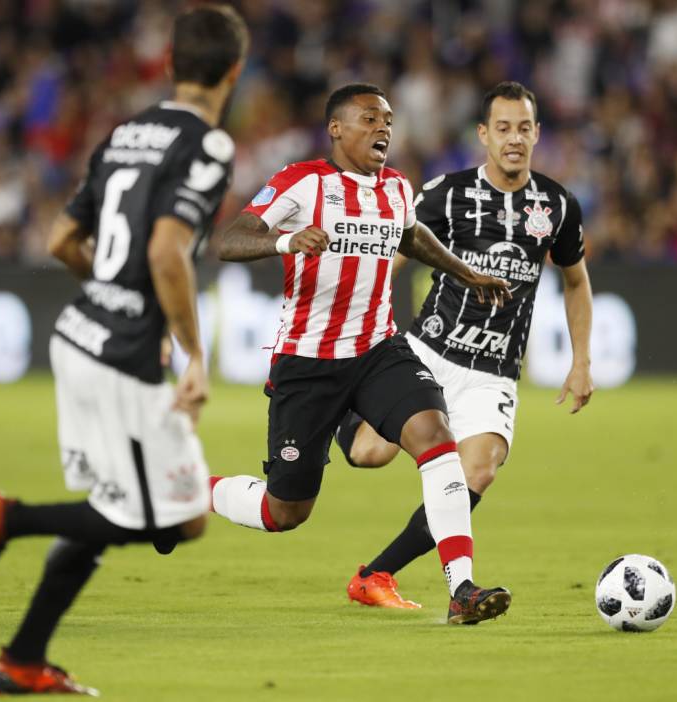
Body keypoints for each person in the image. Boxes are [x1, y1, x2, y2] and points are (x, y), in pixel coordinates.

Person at [0, 5, 248, 695]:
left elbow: (61, 240)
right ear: (234, 71)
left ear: (169, 64)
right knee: (179, 518)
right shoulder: (207, 145)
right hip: (122, 358)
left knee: (114, 505)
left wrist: (113, 294)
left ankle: (22, 659)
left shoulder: (124, 134)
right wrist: (193, 353)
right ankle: (6, 517)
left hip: (80, 335)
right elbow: (167, 251)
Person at [210, 83, 514, 625]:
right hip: (309, 362)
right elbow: (230, 239)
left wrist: (467, 273)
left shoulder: (396, 187)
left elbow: (411, 237)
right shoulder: (302, 182)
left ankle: (462, 589)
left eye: (388, 121)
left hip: (378, 348)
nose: (383, 129)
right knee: (285, 510)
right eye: (370, 119)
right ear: (336, 128)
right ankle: (191, 490)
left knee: (436, 437)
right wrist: (285, 241)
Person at [338, 81, 594, 609]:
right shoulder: (445, 194)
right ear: (483, 134)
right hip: (428, 351)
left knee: (478, 469)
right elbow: (389, 261)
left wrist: (581, 361)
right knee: (368, 453)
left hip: (493, 370)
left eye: (524, 128)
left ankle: (378, 575)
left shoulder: (556, 205)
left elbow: (576, 282)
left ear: (537, 134)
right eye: (503, 128)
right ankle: (334, 401)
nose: (514, 138)